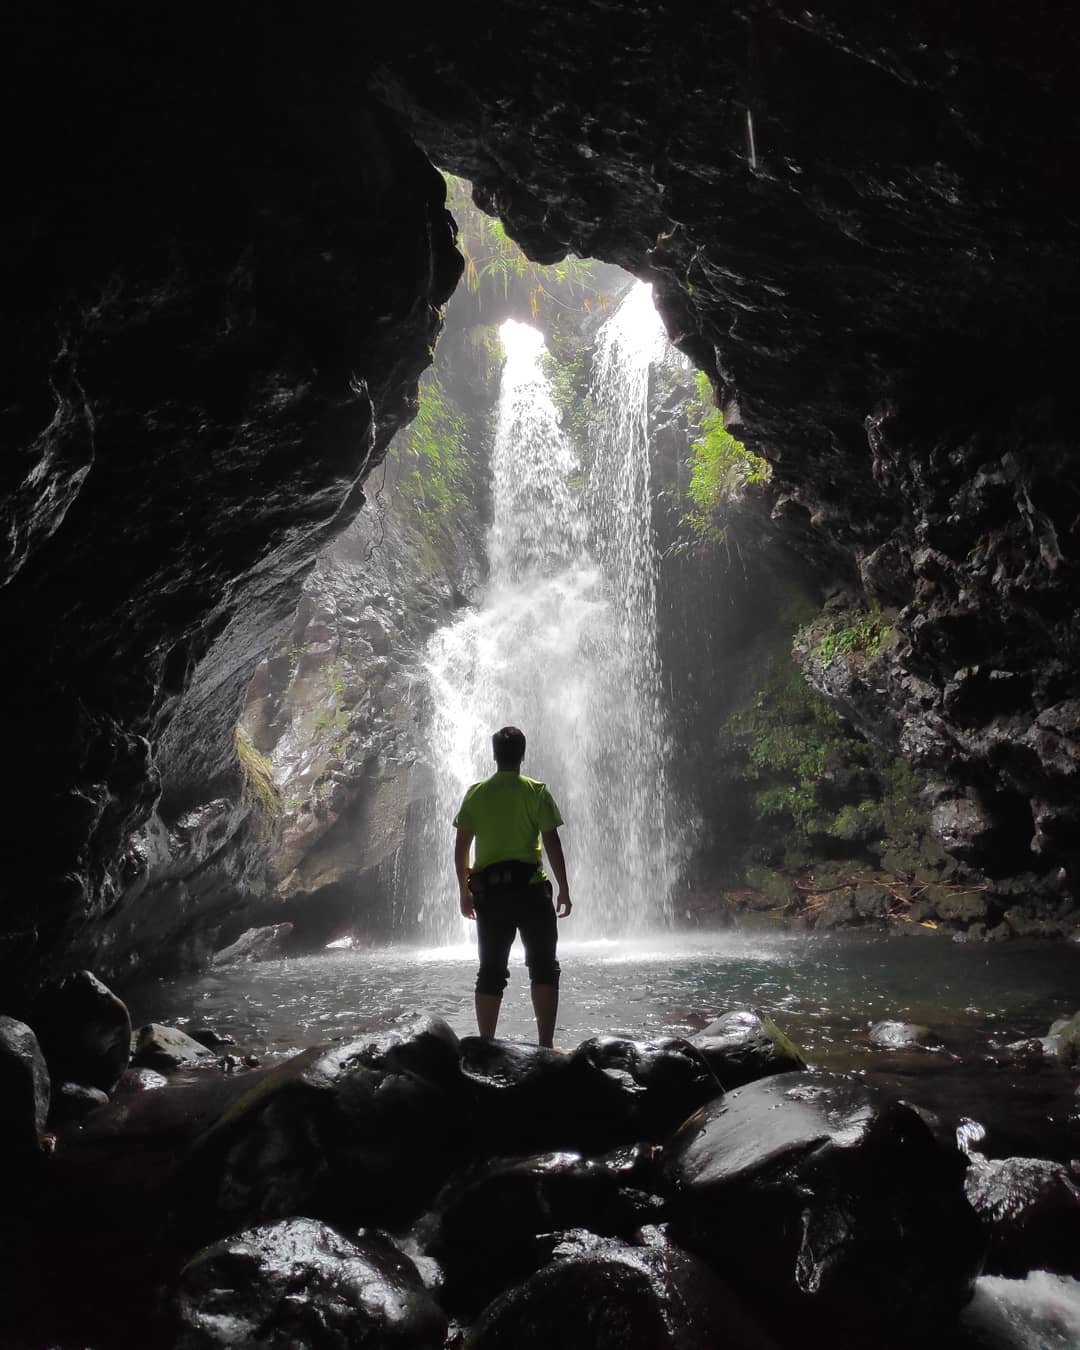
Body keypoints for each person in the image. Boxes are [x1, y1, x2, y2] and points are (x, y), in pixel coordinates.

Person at [453, 726, 572, 1048]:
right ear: (523, 754)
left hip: (490, 896)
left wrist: (464, 891)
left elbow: (461, 846)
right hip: (532, 891)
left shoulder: (476, 794)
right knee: (544, 966)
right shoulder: (536, 791)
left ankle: (486, 1045)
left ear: (494, 755)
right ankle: (545, 1044)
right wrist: (563, 887)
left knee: (491, 970)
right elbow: (552, 843)